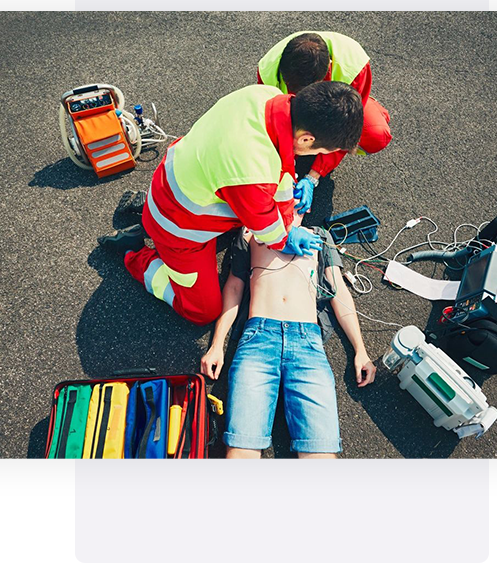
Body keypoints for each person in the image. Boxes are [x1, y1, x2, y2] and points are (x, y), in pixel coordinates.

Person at [98, 81, 363, 326]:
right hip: (178, 227)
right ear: (306, 138)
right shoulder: (251, 170)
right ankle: (137, 254)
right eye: (320, 151)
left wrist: (286, 211)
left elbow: (279, 172)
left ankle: (149, 221)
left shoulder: (266, 96)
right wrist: (284, 237)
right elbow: (266, 225)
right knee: (203, 311)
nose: (318, 156)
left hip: (184, 180)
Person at [200, 212, 377, 458]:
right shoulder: (250, 232)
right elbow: (234, 286)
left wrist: (361, 350)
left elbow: (340, 293)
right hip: (259, 340)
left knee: (321, 453)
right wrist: (217, 344)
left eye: (297, 196)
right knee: (241, 448)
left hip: (307, 344)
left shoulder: (320, 237)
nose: (292, 203)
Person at [257, 31, 393, 214]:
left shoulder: (354, 68)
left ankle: (367, 106)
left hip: (340, 106)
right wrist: (284, 169)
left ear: (328, 68)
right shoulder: (268, 70)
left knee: (375, 135)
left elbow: (345, 128)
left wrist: (314, 175)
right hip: (294, 113)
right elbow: (273, 122)